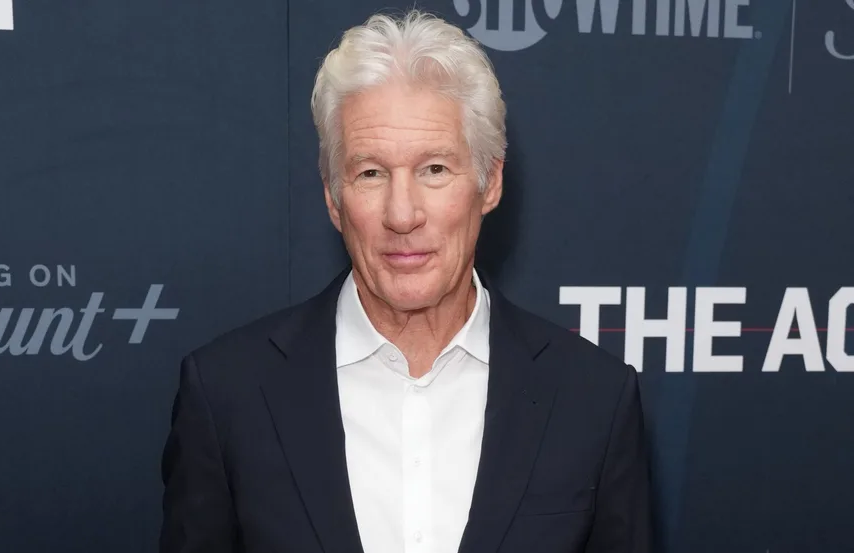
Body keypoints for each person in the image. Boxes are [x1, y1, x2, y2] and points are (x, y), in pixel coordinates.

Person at [159, 9, 651, 553]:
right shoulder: (227, 395)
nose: (401, 215)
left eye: (434, 169)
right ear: (333, 197)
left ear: (490, 183)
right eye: (370, 173)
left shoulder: (593, 400)